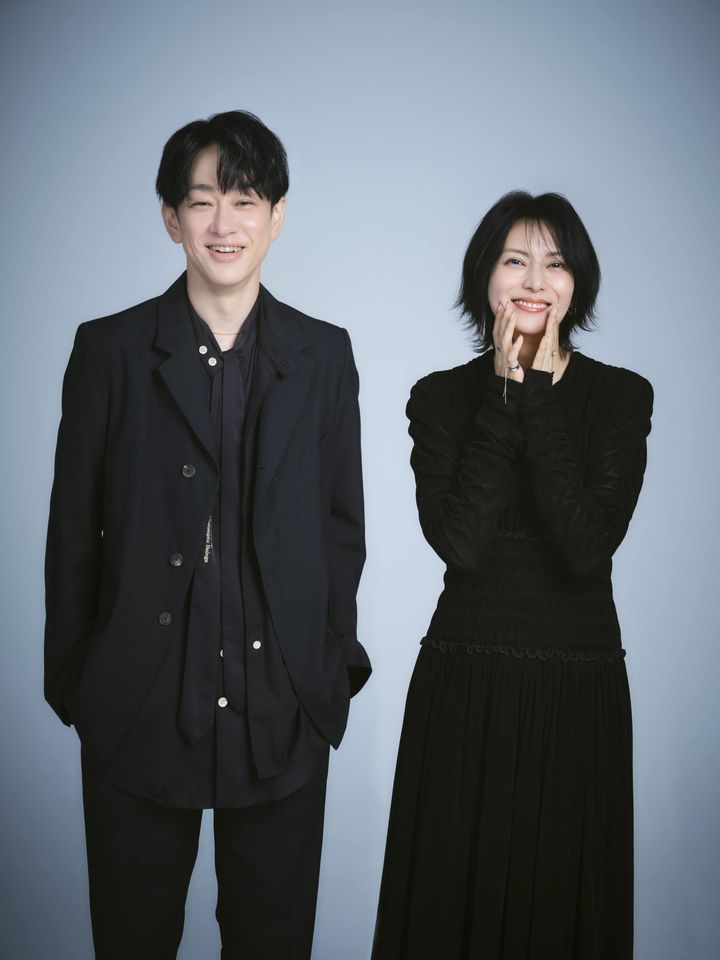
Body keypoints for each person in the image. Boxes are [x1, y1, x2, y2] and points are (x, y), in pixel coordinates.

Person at [44, 109, 370, 960]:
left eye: (246, 199)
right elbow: (72, 532)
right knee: (133, 940)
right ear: (171, 218)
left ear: (277, 216)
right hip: (138, 708)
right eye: (201, 201)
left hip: (283, 710)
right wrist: (79, 683)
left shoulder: (324, 356)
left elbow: (342, 530)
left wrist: (328, 671)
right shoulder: (110, 352)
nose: (224, 223)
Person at [372, 191, 653, 960]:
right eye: (515, 260)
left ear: (577, 283)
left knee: (561, 911)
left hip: (576, 691)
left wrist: (536, 391)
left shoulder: (622, 397)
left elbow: (586, 545)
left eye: (555, 264)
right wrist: (504, 391)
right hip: (465, 687)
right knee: (448, 914)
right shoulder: (437, 398)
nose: (535, 281)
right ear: (484, 278)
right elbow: (461, 544)